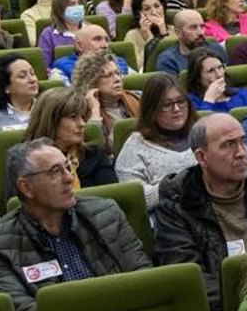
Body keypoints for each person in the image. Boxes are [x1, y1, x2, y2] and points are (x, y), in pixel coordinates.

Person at [0, 138, 149, 311]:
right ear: (26, 187)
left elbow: (142, 275)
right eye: (55, 171)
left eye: (68, 167)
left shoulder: (106, 213)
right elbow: (17, 310)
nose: (69, 178)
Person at [150, 112, 247, 311]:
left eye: (243, 142)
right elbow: (191, 279)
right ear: (201, 157)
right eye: (228, 145)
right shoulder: (177, 206)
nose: (241, 153)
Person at [112, 74, 196, 209]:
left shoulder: (202, 132)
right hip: (166, 220)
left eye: (181, 102)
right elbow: (135, 198)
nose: (177, 109)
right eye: (167, 105)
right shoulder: (135, 146)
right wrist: (174, 186)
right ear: (152, 110)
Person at [25, 87, 117, 188]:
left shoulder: (95, 154)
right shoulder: (28, 160)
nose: (82, 124)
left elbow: (112, 195)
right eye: (73, 117)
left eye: (82, 117)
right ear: (51, 121)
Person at [69, 50, 139, 152]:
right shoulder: (81, 112)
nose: (117, 79)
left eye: (118, 73)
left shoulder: (136, 97)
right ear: (91, 82)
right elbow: (95, 150)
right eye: (108, 75)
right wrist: (95, 110)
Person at [182, 46, 247, 114]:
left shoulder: (246, 94)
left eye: (220, 67)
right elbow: (200, 128)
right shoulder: (190, 102)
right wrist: (209, 100)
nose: (219, 75)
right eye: (211, 71)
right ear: (198, 77)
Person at [51, 20, 129, 83]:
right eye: (97, 39)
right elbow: (64, 99)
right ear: (80, 46)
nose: (104, 45)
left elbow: (136, 89)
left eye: (106, 40)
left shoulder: (120, 62)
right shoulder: (62, 67)